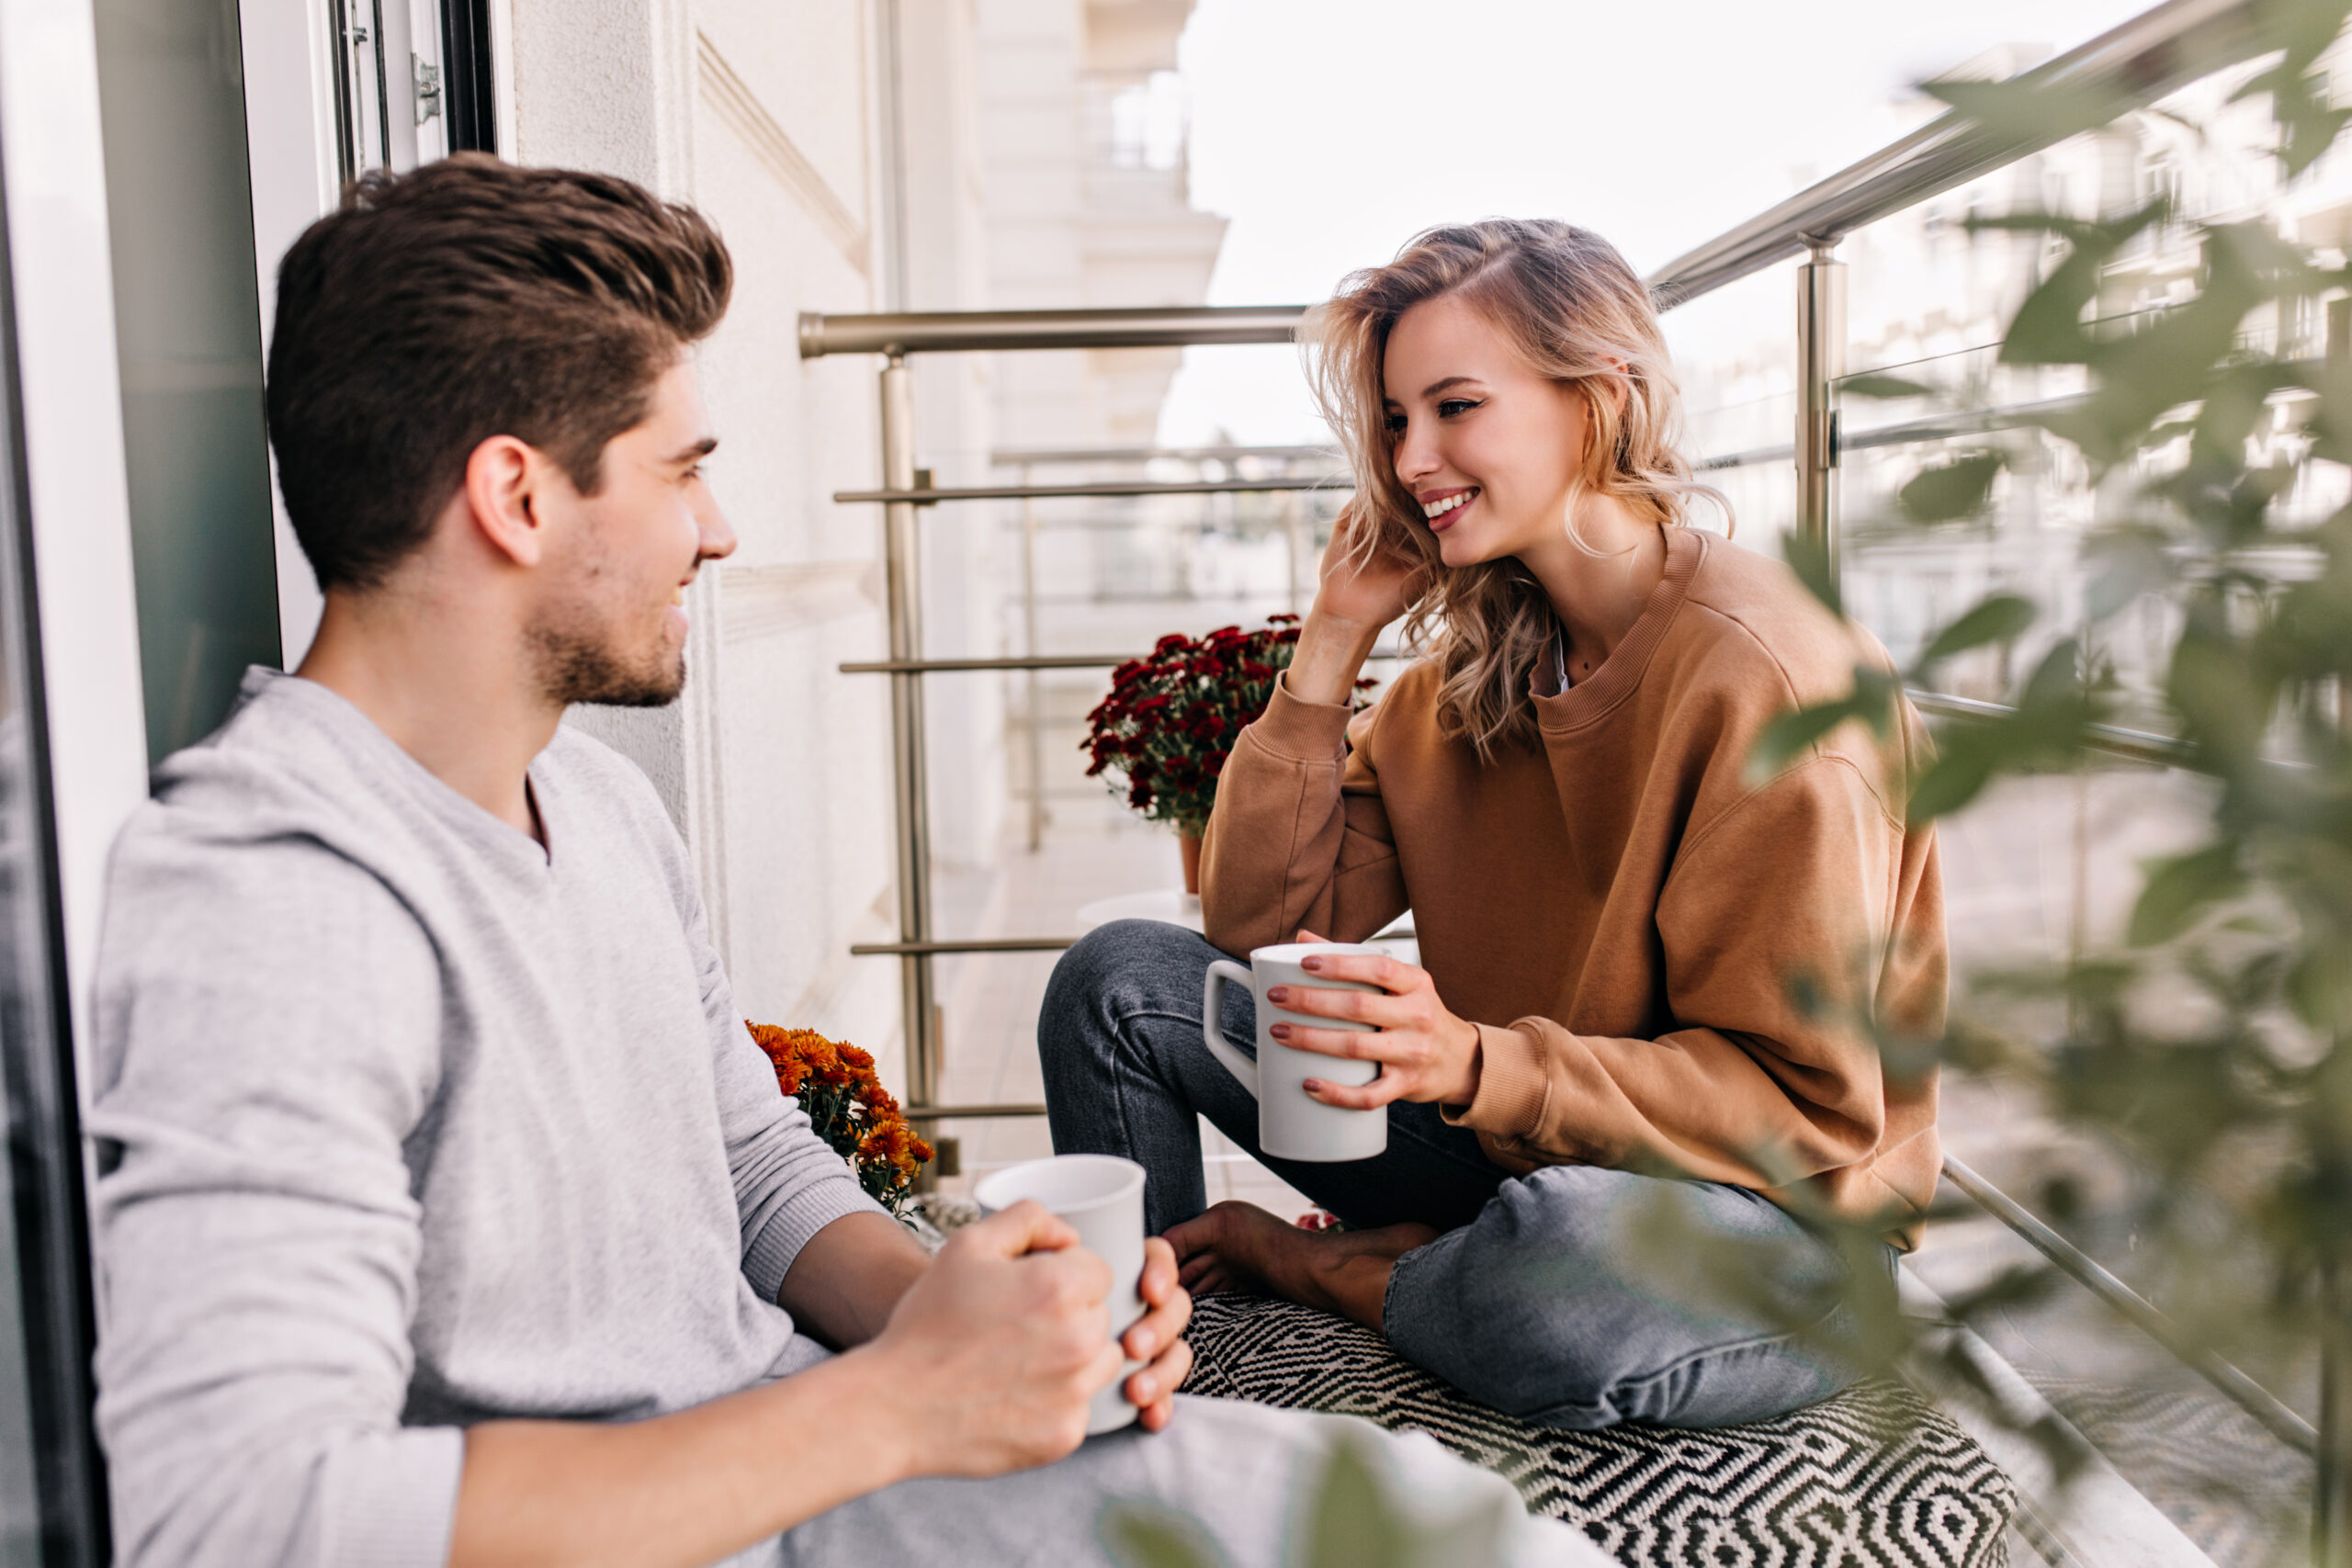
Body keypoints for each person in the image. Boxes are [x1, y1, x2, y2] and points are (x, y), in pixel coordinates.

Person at [85, 161, 1603, 1568]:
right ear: (517, 496)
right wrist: (896, 1408)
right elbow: (235, 1517)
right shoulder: (272, 894)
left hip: (809, 1470)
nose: (721, 531)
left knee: (1431, 1527)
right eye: (680, 471)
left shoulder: (598, 808)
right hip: (724, 1512)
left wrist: (965, 1314)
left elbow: (751, 1168)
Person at [1041, 219, 1945, 1432]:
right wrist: (1331, 642)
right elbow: (1261, 922)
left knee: (1562, 1264)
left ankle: (1336, 1268)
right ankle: (1143, 1368)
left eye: (1457, 406)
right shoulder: (1463, 686)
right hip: (1523, 1152)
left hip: (1766, 1220)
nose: (1415, 457)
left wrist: (1472, 1061)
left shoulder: (1769, 682)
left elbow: (1801, 1108)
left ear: (1600, 401)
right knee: (1118, 983)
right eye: (1397, 419)